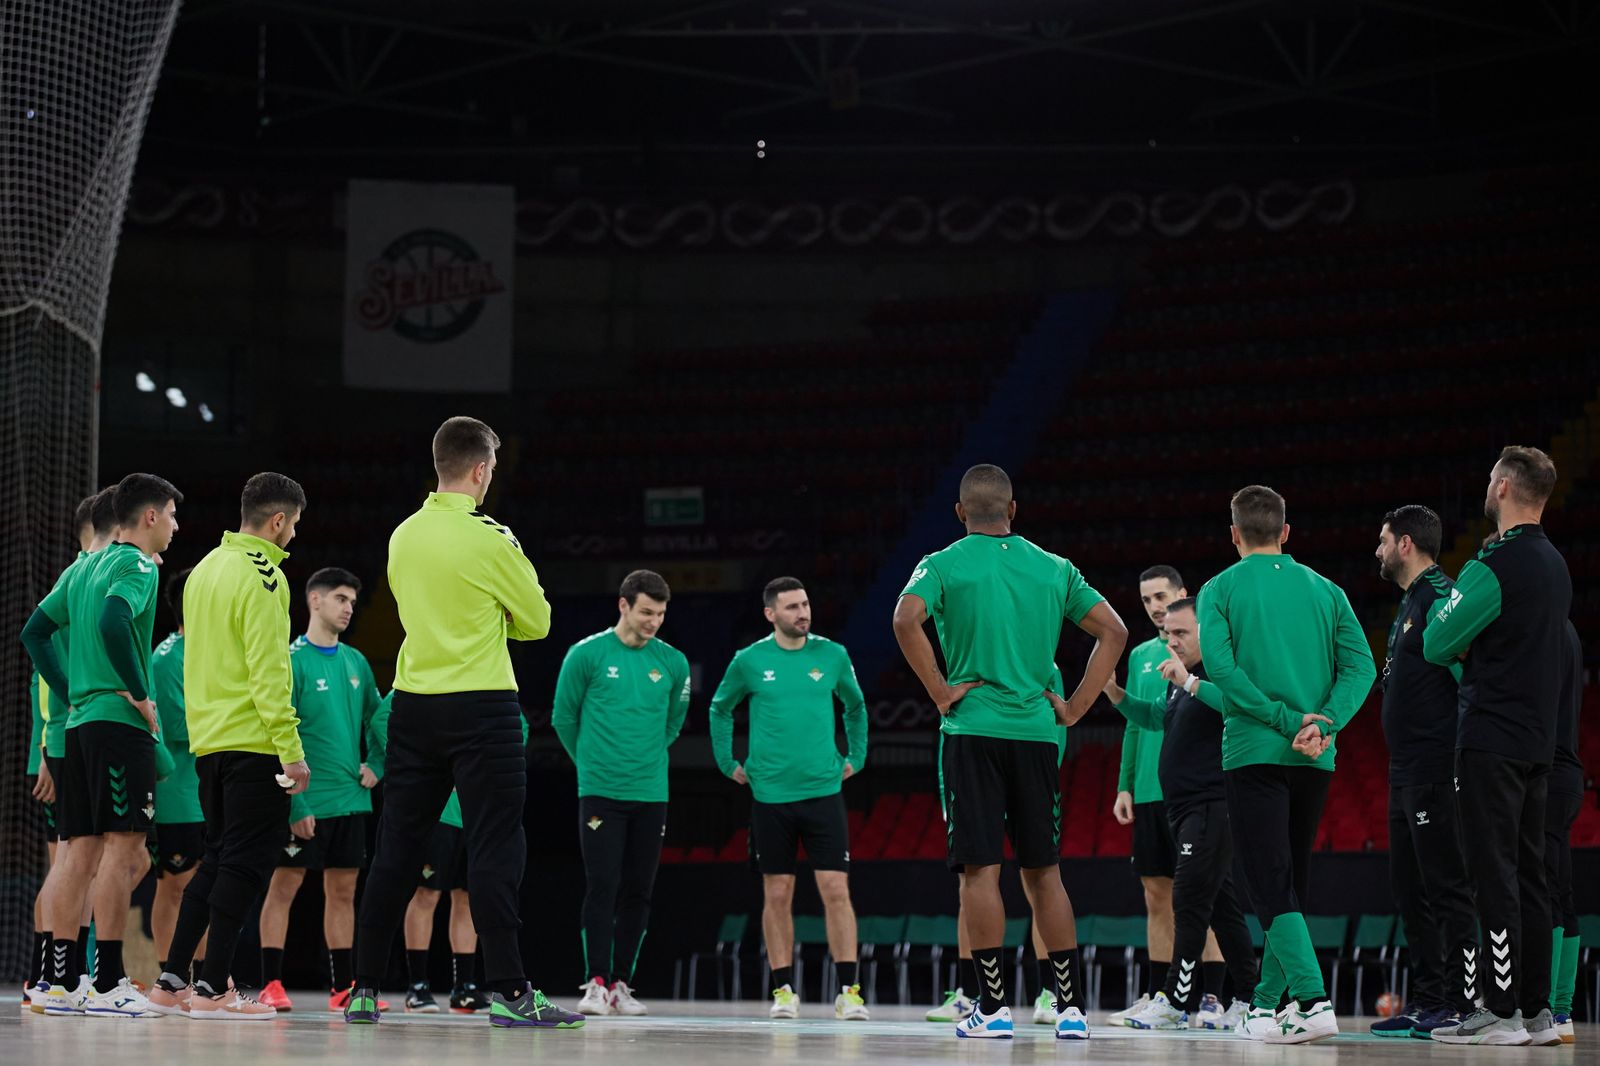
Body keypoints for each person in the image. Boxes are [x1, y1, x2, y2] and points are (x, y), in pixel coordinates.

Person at [349, 416, 581, 1029]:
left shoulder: (403, 535)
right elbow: (537, 621)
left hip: (414, 702)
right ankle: (510, 991)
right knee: (495, 844)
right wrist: (493, 619)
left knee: (396, 847)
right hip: (483, 706)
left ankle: (366, 988)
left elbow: (413, 608)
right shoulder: (492, 538)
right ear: (480, 470)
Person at [893, 463, 1127, 1040]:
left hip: (971, 732)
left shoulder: (942, 563)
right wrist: (1073, 708)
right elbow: (1115, 632)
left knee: (980, 872)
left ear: (959, 513)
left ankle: (993, 1010)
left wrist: (941, 691)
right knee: (1044, 873)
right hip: (1036, 736)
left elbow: (904, 619)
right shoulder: (1055, 567)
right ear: (1013, 510)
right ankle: (1070, 1010)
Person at [1196, 484, 1375, 1044]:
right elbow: (1362, 668)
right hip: (1315, 755)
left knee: (1268, 883)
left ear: (1233, 534)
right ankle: (1267, 1006)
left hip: (1254, 750)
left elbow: (1221, 671)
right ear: (1285, 532)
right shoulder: (1328, 590)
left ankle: (1313, 1000)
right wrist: (1323, 722)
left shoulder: (1219, 589)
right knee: (1290, 883)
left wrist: (1281, 719)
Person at [149, 471, 310, 1021]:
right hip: (255, 743)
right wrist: (290, 748)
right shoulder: (265, 576)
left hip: (211, 742)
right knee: (245, 866)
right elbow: (270, 670)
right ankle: (214, 986)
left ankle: (172, 979)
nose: (293, 537)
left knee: (216, 861)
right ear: (278, 520)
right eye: (294, 526)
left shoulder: (203, 572)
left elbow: (196, 662)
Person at [22, 473, 183, 1018]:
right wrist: (139, 694)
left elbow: (34, 633)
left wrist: (72, 693)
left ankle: (60, 983)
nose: (176, 526)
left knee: (77, 853)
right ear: (150, 517)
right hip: (119, 727)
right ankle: (109, 980)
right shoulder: (133, 564)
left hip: (79, 728)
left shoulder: (81, 567)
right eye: (172, 515)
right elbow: (117, 621)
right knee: (124, 851)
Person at [1426, 446, 1572, 1047]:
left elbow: (1436, 640)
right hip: (1539, 741)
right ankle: (1537, 1014)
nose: (1487, 487)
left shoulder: (1495, 565)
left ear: (1507, 487)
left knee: (1494, 875)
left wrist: (1463, 641)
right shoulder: (1557, 564)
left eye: (1491, 479)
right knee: (1532, 875)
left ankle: (1502, 1009)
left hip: (1489, 739)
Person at [710, 576, 869, 1021]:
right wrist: (727, 762)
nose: (803, 612)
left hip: (823, 791)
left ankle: (849, 991)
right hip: (771, 795)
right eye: (793, 607)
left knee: (836, 889)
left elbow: (855, 706)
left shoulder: (833, 655)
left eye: (805, 603)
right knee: (777, 892)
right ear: (771, 614)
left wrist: (857, 754)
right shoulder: (749, 661)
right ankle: (783, 989)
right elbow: (719, 708)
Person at [1098, 598, 1257, 1032]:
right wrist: (1115, 694)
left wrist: (1188, 682)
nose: (1172, 641)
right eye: (1169, 633)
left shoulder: (1219, 673)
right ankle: (1248, 997)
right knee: (1222, 908)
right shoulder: (1177, 678)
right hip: (1184, 808)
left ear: (1207, 633)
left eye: (1181, 633)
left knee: (1187, 901)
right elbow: (1155, 717)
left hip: (1211, 806)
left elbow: (1240, 708)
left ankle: (1173, 1000)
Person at [553, 569, 691, 1018]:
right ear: (624, 606)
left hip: (652, 792)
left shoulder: (673, 663)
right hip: (600, 791)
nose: (654, 621)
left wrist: (642, 760)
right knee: (602, 885)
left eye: (661, 614)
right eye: (647, 612)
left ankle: (620, 986)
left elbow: (673, 724)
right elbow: (563, 719)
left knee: (639, 891)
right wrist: (593, 763)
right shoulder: (586, 655)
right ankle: (594, 982)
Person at [1369, 505, 1478, 1038]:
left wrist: (1459, 758)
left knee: (1447, 888)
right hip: (1404, 770)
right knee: (1409, 889)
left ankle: (1463, 1001)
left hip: (1437, 767)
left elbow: (1470, 679)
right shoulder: (1413, 600)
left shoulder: (1443, 597)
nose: (1378, 550)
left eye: (1383, 540)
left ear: (1406, 543)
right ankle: (1430, 998)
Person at [256, 567, 385, 1013]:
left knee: (344, 892)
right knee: (283, 888)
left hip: (350, 799)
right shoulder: (291, 660)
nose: (349, 607)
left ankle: (343, 987)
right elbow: (274, 735)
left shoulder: (356, 662)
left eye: (352, 600)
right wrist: (297, 800)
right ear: (314, 601)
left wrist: (379, 763)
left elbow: (378, 716)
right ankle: (271, 982)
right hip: (305, 801)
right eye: (341, 599)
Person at [23, 490, 108, 1012]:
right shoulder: (81, 578)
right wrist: (44, 748)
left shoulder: (90, 575)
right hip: (68, 737)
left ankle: (63, 976)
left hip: (70, 735)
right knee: (70, 863)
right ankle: (49, 976)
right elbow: (42, 668)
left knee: (83, 862)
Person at [150, 567, 210, 987]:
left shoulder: (211, 650)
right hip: (178, 791)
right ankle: (170, 978)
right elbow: (177, 727)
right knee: (178, 887)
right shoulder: (168, 657)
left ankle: (205, 978)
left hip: (208, 788)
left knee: (206, 886)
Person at [1546, 618, 1583, 1045]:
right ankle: (1560, 1008)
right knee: (1562, 890)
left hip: (1549, 772)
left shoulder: (1545, 628)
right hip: (1568, 773)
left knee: (1545, 889)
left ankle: (1546, 1007)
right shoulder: (1568, 631)